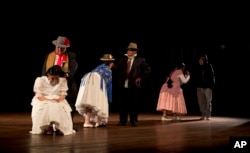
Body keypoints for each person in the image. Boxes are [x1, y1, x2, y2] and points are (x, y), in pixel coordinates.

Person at [41, 36, 78, 130]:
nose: (60, 49)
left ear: (66, 48)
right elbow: (44, 70)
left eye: (62, 47)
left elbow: (73, 68)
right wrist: (43, 81)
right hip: (51, 85)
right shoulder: (49, 56)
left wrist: (67, 74)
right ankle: (52, 126)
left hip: (66, 83)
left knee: (69, 105)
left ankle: (70, 126)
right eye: (58, 47)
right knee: (51, 105)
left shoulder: (71, 55)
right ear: (55, 46)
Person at [30, 65, 76, 135]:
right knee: (46, 106)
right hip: (43, 98)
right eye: (52, 78)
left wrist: (58, 100)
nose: (54, 80)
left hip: (57, 98)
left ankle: (58, 127)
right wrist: (48, 100)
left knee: (58, 106)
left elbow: (63, 94)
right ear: (48, 75)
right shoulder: (40, 80)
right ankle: (47, 127)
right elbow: (39, 95)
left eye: (56, 78)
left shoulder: (62, 80)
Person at [114, 42, 151, 126]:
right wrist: (112, 66)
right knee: (122, 104)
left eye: (130, 50)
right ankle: (122, 121)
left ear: (135, 51)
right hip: (122, 85)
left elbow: (148, 69)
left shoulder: (140, 60)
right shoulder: (123, 59)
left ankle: (133, 120)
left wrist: (140, 77)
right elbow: (117, 69)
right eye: (128, 50)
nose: (128, 51)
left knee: (133, 104)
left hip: (134, 85)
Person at [75, 54, 115, 128]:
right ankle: (98, 122)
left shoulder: (98, 68)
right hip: (96, 82)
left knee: (90, 101)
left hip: (88, 79)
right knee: (98, 100)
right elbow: (108, 84)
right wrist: (108, 96)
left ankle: (87, 122)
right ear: (111, 63)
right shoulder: (107, 70)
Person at [194, 54, 215, 120]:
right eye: (199, 60)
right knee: (201, 102)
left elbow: (212, 76)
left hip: (207, 86)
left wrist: (211, 85)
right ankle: (203, 114)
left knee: (208, 101)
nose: (200, 61)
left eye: (201, 60)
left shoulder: (209, 66)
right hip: (199, 87)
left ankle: (208, 115)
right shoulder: (197, 67)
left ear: (204, 60)